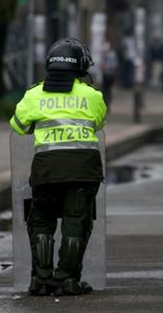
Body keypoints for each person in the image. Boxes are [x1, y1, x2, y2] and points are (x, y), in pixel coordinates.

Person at [10, 38, 107, 296]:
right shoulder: (92, 95)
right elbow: (98, 123)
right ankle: (67, 280)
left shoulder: (33, 94)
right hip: (84, 169)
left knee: (41, 222)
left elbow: (18, 126)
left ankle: (41, 280)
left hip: (47, 170)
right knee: (76, 223)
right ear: (81, 67)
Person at [100, 41, 118, 106]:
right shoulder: (102, 55)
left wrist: (108, 65)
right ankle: (105, 102)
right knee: (104, 89)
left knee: (108, 90)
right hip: (104, 75)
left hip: (110, 75)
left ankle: (108, 102)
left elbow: (115, 64)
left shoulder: (112, 54)